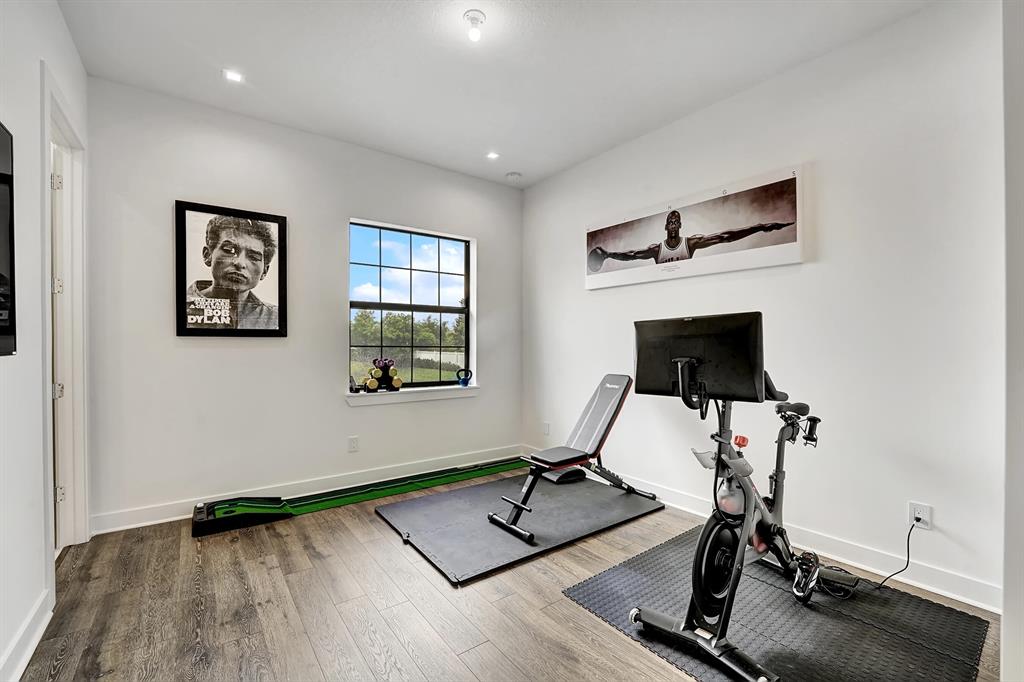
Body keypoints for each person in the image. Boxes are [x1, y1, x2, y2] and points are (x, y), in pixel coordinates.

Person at [588, 209, 793, 273]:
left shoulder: (690, 243)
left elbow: (724, 237)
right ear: (666, 227)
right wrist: (608, 255)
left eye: (676, 221)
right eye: (670, 221)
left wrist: (759, 227)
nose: (673, 224)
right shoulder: (657, 250)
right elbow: (632, 255)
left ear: (680, 225)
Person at [186, 215, 278, 329]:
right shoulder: (178, 308)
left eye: (253, 257)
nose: (240, 263)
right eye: (229, 250)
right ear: (208, 255)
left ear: (264, 271)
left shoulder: (275, 319)